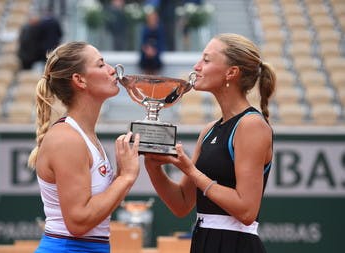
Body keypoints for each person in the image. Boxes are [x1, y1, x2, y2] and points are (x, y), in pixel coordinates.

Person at [144, 33, 276, 253]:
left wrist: (191, 171)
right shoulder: (208, 130)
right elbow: (182, 204)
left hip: (235, 245)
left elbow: (246, 211)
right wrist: (153, 166)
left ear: (231, 72)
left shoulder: (251, 125)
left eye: (206, 60)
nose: (196, 67)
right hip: (204, 240)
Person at [27, 41, 140, 253]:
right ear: (79, 80)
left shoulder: (84, 134)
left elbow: (95, 211)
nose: (111, 70)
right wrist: (125, 178)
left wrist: (121, 178)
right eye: (100, 65)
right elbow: (78, 222)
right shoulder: (67, 139)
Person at [139, 10, 165, 75]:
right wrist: (147, 50)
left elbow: (161, 43)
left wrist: (154, 51)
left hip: (155, 56)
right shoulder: (145, 29)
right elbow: (143, 43)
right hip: (146, 56)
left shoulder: (159, 29)